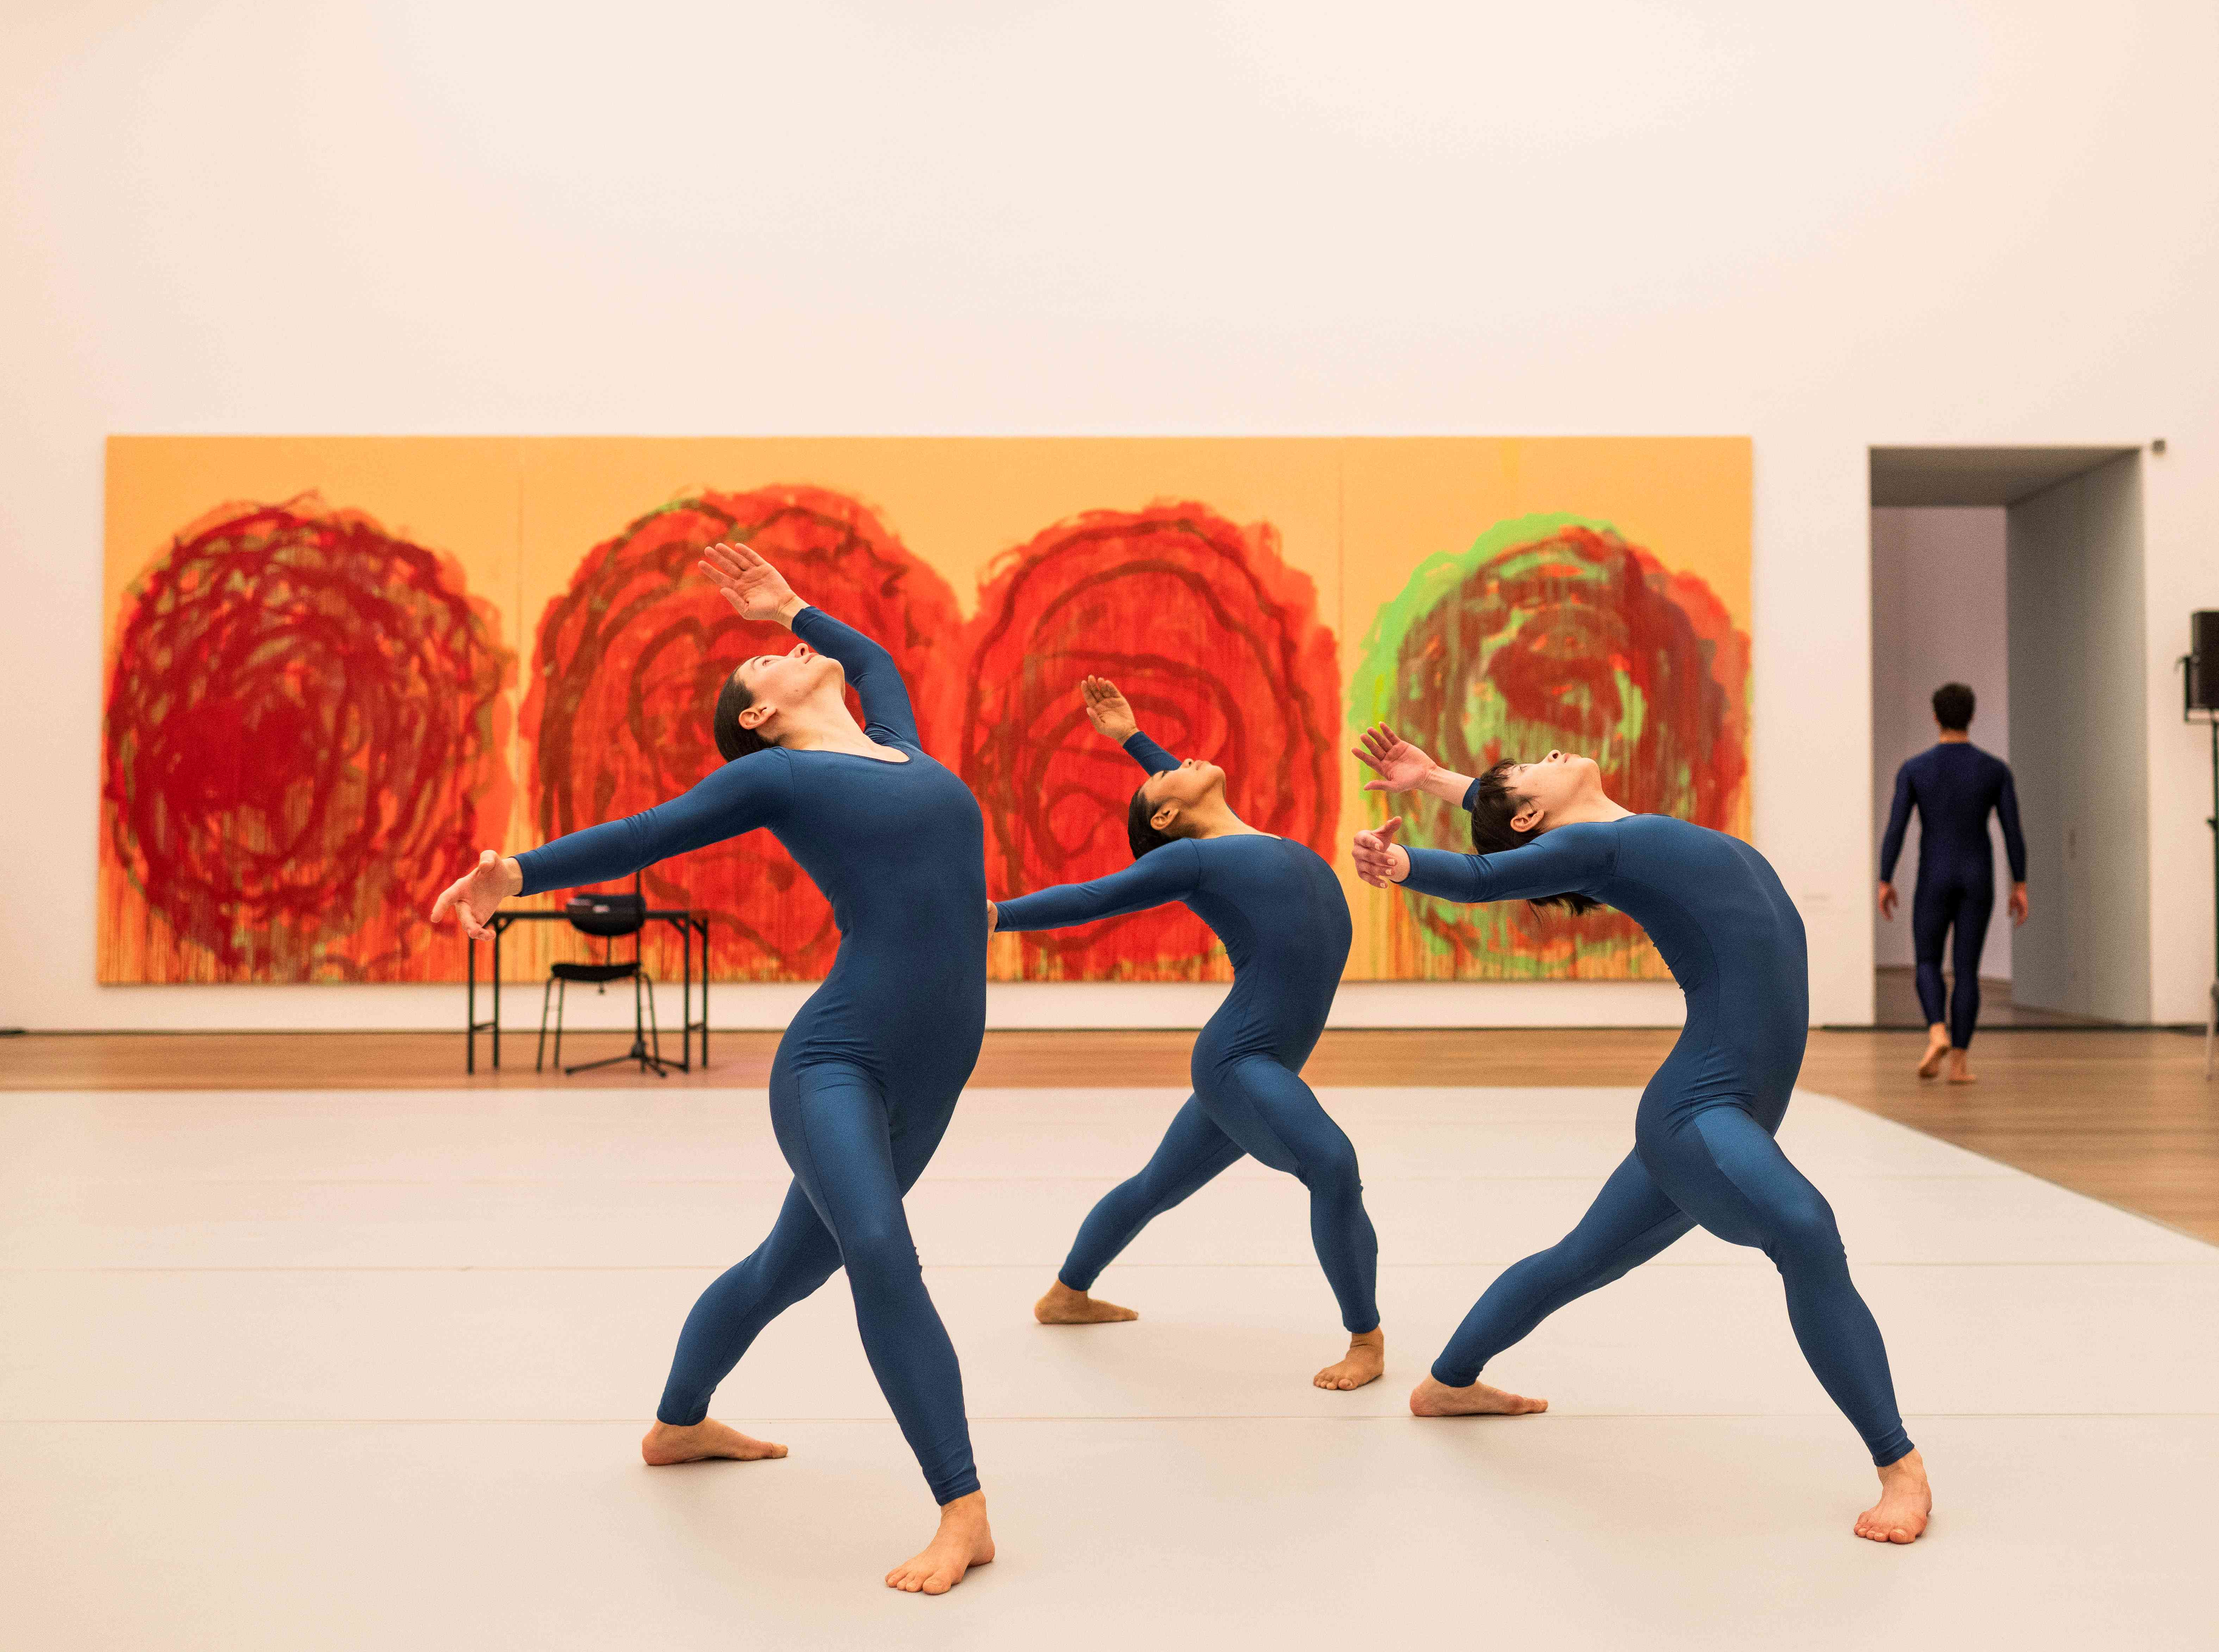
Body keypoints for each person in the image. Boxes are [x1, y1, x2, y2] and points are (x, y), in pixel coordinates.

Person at [429, 542, 995, 1597]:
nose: (781, 653)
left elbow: (875, 661)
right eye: (760, 666)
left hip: (932, 1072)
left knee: (784, 1269)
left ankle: (678, 1424)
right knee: (879, 1251)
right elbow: (647, 832)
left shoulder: (902, 750)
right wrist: (518, 874)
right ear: (761, 716)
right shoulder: (778, 774)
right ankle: (963, 1508)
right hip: (839, 1062)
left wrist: (793, 609)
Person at [1348, 725, 1932, 1545]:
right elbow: (1485, 874)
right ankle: (1900, 1466)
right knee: (1805, 1230)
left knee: (1579, 1260)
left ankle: (1447, 1382)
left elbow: (1506, 815)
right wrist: (1400, 863)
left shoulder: (1620, 836)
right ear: (1532, 819)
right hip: (1701, 1111)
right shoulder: (1598, 847)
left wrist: (1436, 778)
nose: (1552, 754)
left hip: (1722, 1111)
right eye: (1535, 769)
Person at [993, 678, 1386, 1391]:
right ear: (1169, 815)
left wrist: (1130, 738)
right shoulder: (1190, 858)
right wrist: (995, 916)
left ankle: (1066, 1294)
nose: (1179, 762)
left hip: (1256, 1061)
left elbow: (1181, 798)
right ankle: (1367, 1339)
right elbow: (1091, 897)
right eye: (1165, 775)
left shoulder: (1240, 839)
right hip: (1243, 1060)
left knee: (1155, 1186)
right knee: (1332, 1165)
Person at [1876, 681, 2028, 1084]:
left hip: (1934, 875)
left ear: (1935, 716)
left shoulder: (1915, 769)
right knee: (1967, 969)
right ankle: (1959, 1064)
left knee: (1927, 960)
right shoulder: (1995, 770)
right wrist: (2020, 883)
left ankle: (1937, 1031)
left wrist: (1885, 878)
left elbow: (1896, 828)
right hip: (1978, 875)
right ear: (1972, 716)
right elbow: (2013, 831)